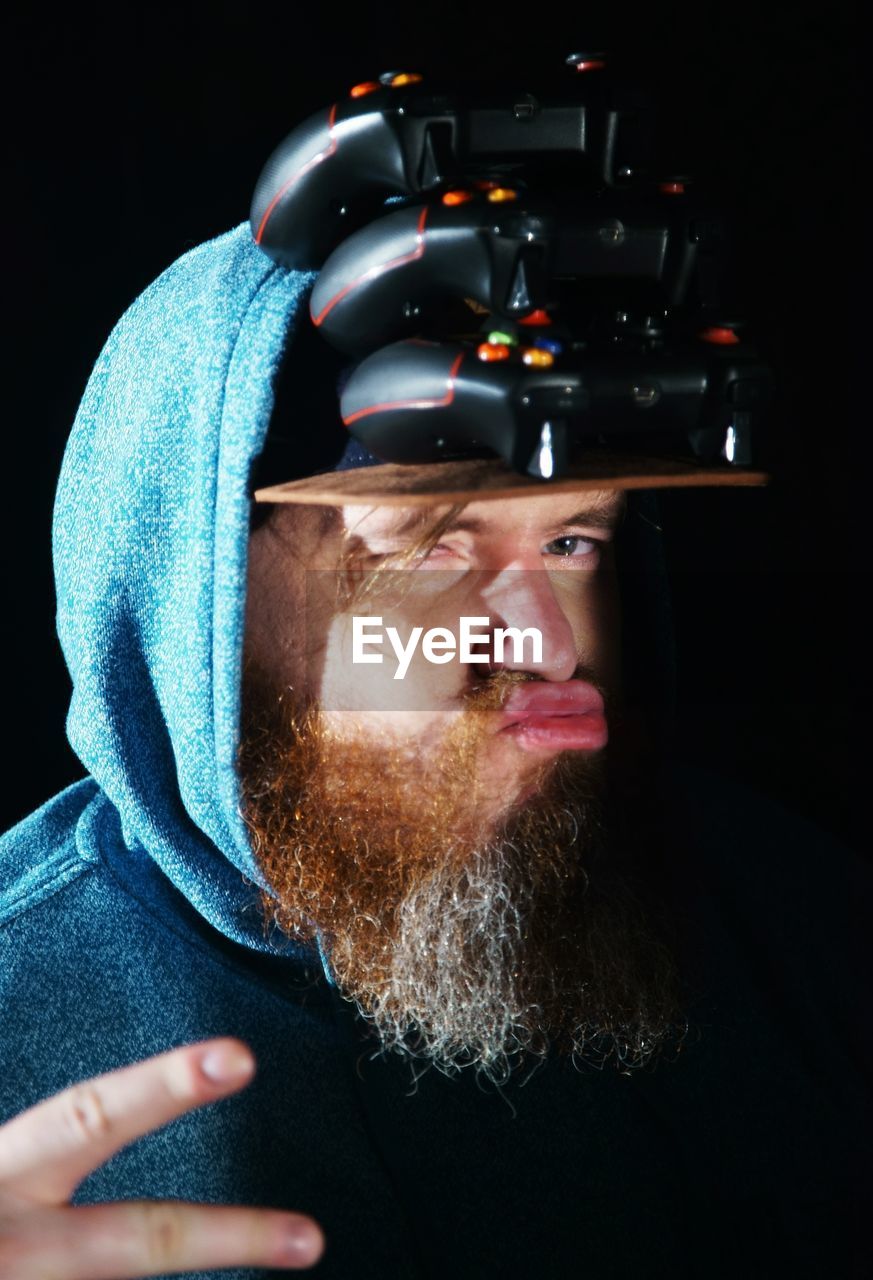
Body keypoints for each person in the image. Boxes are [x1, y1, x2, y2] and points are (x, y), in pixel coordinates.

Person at [0, 223, 868, 1280]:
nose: (548, 648)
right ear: (194, 598)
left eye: (570, 540)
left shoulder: (790, 922)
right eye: (432, 548)